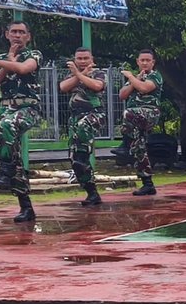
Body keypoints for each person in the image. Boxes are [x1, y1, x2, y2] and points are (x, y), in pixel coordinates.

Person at [0, 20, 43, 222]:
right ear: (7, 35)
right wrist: (5, 62)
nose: (17, 35)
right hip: (7, 108)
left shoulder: (34, 54)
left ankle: (4, 171)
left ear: (28, 36)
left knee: (8, 124)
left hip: (28, 108)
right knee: (14, 157)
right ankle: (26, 206)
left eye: (21, 32)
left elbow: (23, 69)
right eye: (13, 32)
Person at [61, 47, 107, 206]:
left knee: (82, 147)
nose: (82, 61)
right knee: (76, 160)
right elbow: (63, 87)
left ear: (91, 59)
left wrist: (80, 74)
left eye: (85, 58)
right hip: (75, 117)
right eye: (79, 58)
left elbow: (97, 86)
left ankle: (83, 155)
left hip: (93, 115)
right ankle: (91, 192)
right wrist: (78, 75)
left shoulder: (99, 73)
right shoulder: (71, 75)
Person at [118, 48, 162, 196]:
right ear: (137, 62)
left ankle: (125, 143)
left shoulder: (155, 76)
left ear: (153, 62)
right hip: (136, 120)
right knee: (139, 148)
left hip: (149, 113)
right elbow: (122, 95)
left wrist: (131, 76)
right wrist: (134, 79)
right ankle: (147, 183)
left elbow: (144, 88)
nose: (144, 63)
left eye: (147, 60)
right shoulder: (135, 78)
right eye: (142, 60)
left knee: (128, 113)